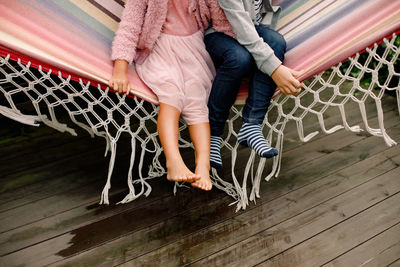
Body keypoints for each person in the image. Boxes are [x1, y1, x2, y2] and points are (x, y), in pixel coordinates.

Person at [109, 0, 217, 191]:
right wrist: (120, 69)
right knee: (172, 94)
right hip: (159, 49)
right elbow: (129, 27)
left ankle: (203, 165)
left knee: (196, 101)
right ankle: (173, 160)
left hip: (193, 49)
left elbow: (220, 16)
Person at [204, 0, 303, 169]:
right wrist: (275, 70)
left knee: (276, 41)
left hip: (250, 26)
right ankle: (212, 133)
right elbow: (241, 27)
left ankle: (251, 125)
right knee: (240, 59)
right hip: (218, 32)